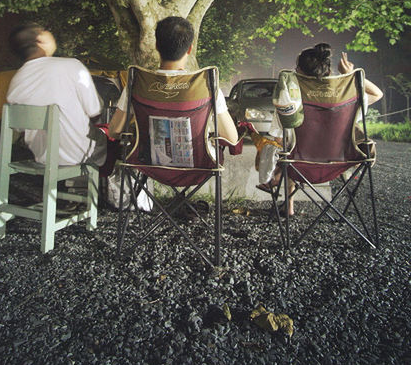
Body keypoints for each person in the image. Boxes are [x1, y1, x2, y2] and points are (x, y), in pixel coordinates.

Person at [260, 43, 383, 215]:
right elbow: (377, 94)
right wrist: (350, 75)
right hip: (340, 163)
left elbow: (279, 139)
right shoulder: (345, 99)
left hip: (300, 165)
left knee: (289, 150)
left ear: (299, 72)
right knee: (291, 152)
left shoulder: (290, 98)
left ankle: (288, 205)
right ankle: (286, 197)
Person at [108, 16, 239, 145]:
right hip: (199, 164)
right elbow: (231, 138)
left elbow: (114, 131)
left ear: (157, 46)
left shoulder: (137, 82)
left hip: (146, 164)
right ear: (190, 49)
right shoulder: (206, 84)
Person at [6, 23, 107, 167]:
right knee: (113, 141)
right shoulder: (72, 66)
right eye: (46, 30)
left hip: (42, 157)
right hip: (79, 154)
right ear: (40, 40)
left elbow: (19, 128)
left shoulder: (16, 80)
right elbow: (95, 111)